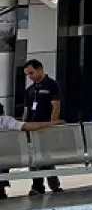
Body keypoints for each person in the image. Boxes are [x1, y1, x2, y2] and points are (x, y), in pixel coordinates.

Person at [21, 59, 63, 195]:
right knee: (35, 158)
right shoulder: (30, 90)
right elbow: (27, 111)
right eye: (27, 74)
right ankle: (42, 184)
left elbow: (55, 106)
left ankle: (45, 184)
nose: (30, 76)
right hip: (32, 127)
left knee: (44, 156)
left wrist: (52, 123)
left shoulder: (52, 85)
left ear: (40, 69)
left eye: (31, 73)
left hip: (45, 126)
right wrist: (24, 125)